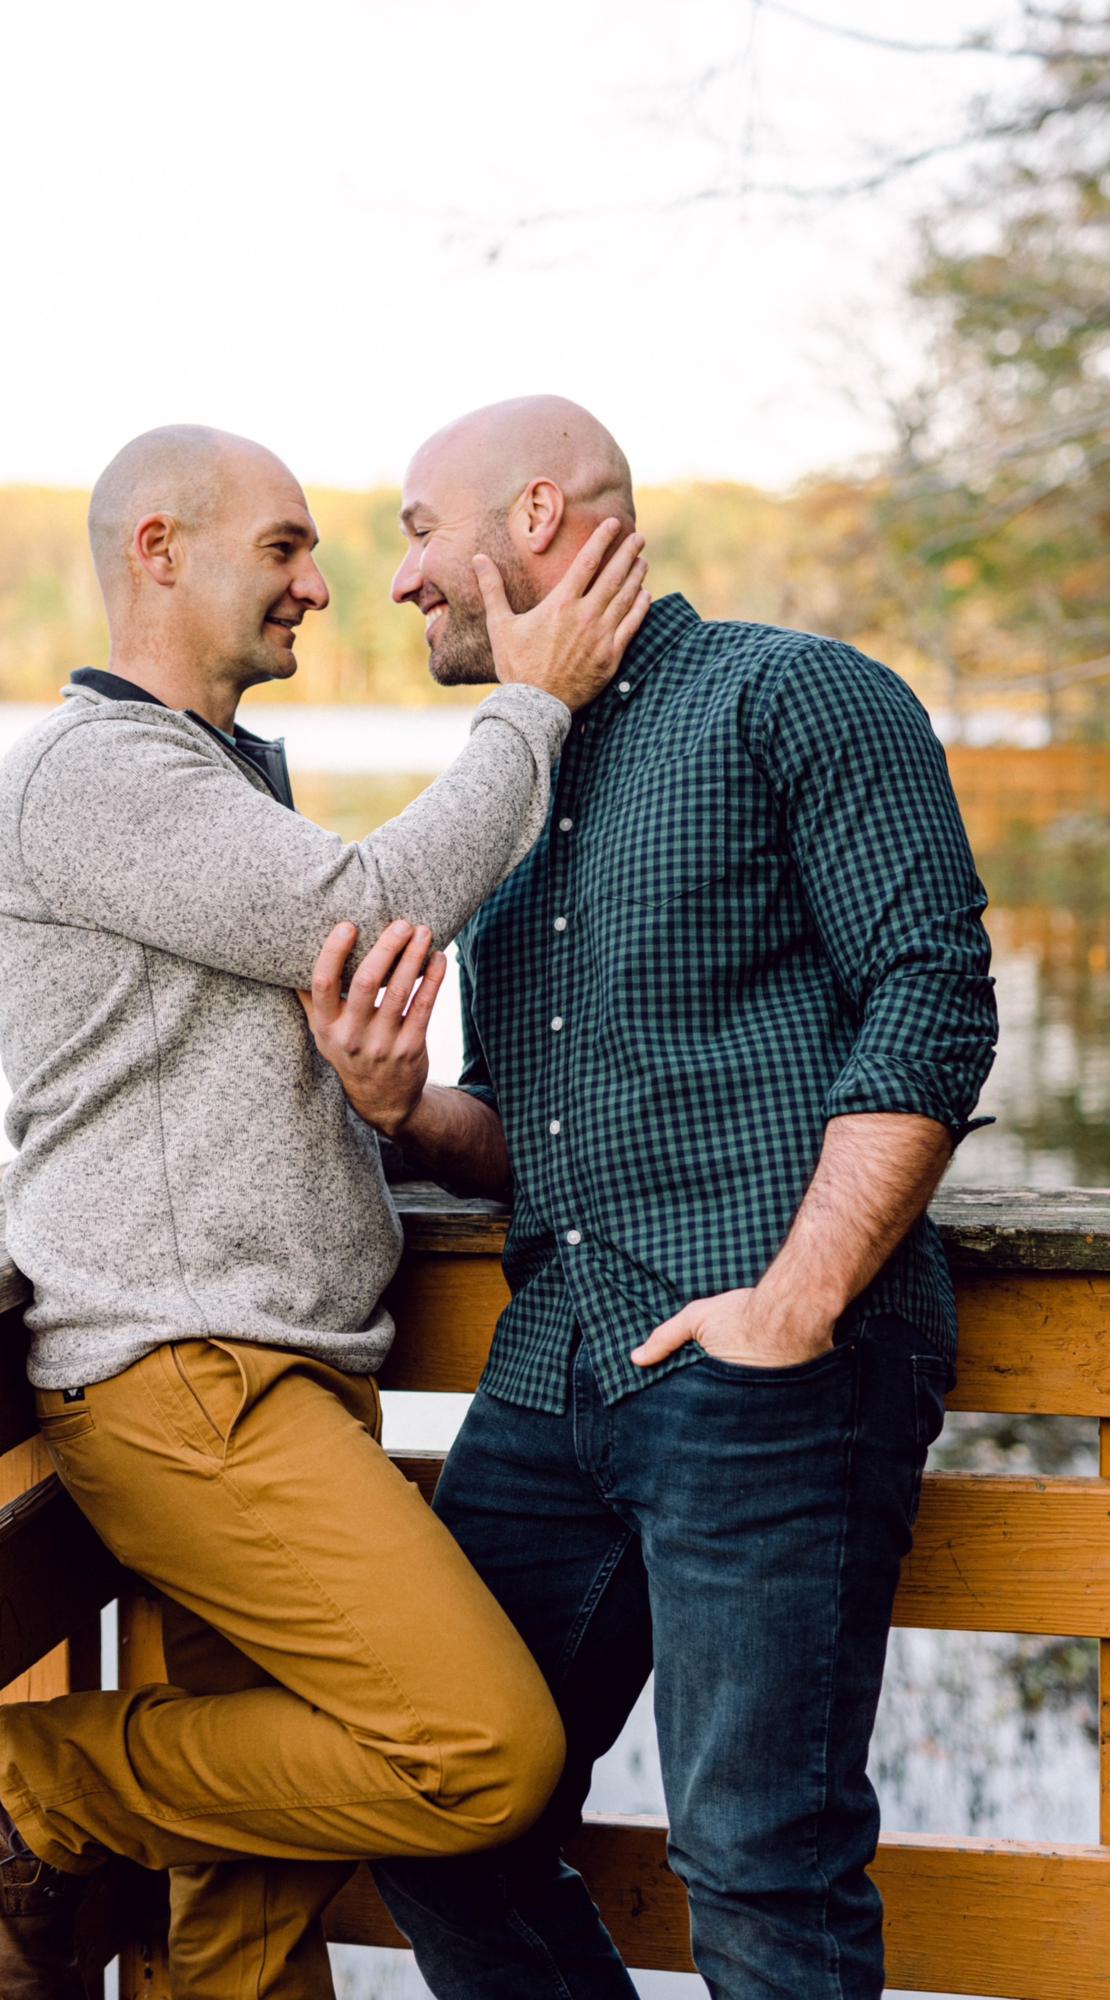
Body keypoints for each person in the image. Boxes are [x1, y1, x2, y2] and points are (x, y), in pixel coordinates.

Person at [0, 422, 650, 2000]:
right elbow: (363, 914)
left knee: (244, 1931)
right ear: (157, 551)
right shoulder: (90, 773)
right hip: (190, 1379)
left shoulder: (221, 774)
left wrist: (391, 1110)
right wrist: (533, 707)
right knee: (483, 1750)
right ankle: (42, 1784)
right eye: (284, 549)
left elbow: (282, 1046)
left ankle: (78, 1806)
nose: (322, 586)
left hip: (279, 1372)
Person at [301, 396, 1000, 2000]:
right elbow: (522, 1132)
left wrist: (795, 1302)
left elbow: (930, 994)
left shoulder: (794, 693)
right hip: (554, 1370)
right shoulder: (511, 789)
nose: (399, 578)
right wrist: (400, 1111)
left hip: (768, 1374)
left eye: (419, 531)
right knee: (436, 1806)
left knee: (758, 1867)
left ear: (537, 517)